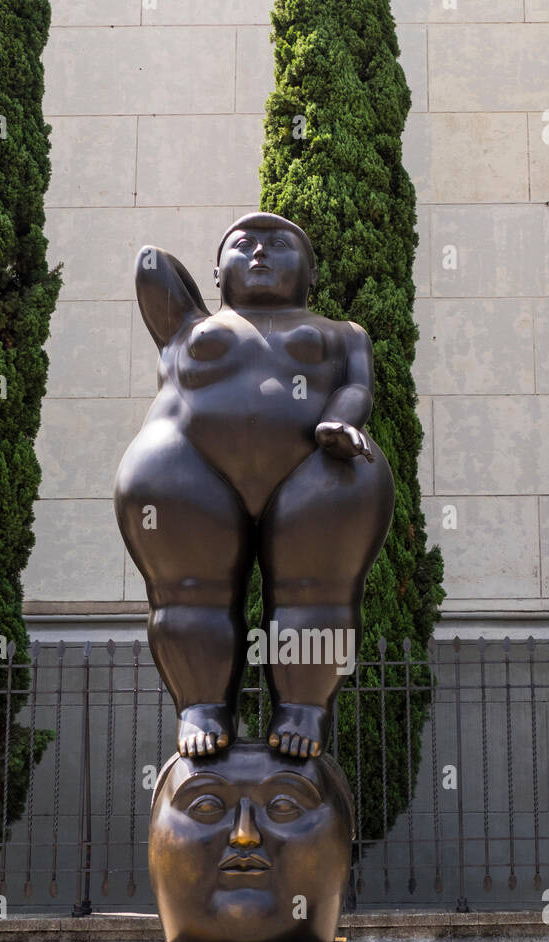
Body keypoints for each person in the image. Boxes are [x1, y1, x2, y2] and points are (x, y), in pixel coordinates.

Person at [114, 212, 394, 759]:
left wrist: (340, 423)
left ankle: (304, 706)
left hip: (316, 463)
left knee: (317, 594)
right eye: (244, 246)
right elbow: (149, 263)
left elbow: (357, 389)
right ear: (216, 274)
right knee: (188, 593)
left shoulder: (343, 334)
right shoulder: (186, 326)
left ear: (311, 273)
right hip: (185, 463)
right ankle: (202, 703)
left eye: (279, 245)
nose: (260, 253)